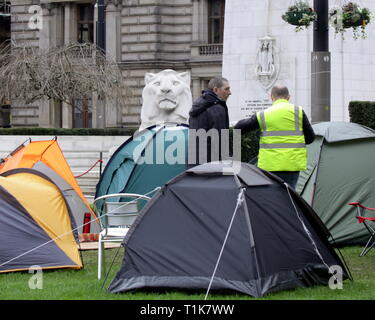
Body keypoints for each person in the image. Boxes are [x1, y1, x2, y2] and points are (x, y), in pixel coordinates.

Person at [234, 85, 315, 189]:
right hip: (292, 164)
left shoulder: (264, 115)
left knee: (272, 198)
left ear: (271, 97)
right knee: (289, 197)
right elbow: (310, 138)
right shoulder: (298, 112)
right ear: (288, 97)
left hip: (269, 165)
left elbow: (239, 128)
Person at [188, 77, 231, 167]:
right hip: (211, 164)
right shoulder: (217, 109)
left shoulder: (197, 104)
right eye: (226, 89)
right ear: (216, 90)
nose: (230, 93)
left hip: (194, 162)